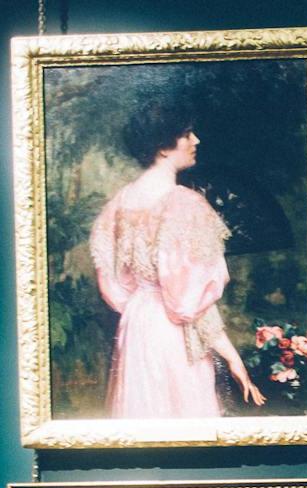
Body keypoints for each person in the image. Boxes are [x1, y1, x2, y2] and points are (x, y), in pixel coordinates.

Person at [90, 99, 267, 419]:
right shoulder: (184, 205)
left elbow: (114, 283)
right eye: (186, 134)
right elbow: (187, 304)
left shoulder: (120, 202)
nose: (195, 140)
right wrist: (231, 356)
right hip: (172, 334)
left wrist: (142, 303)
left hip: (137, 324)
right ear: (163, 147)